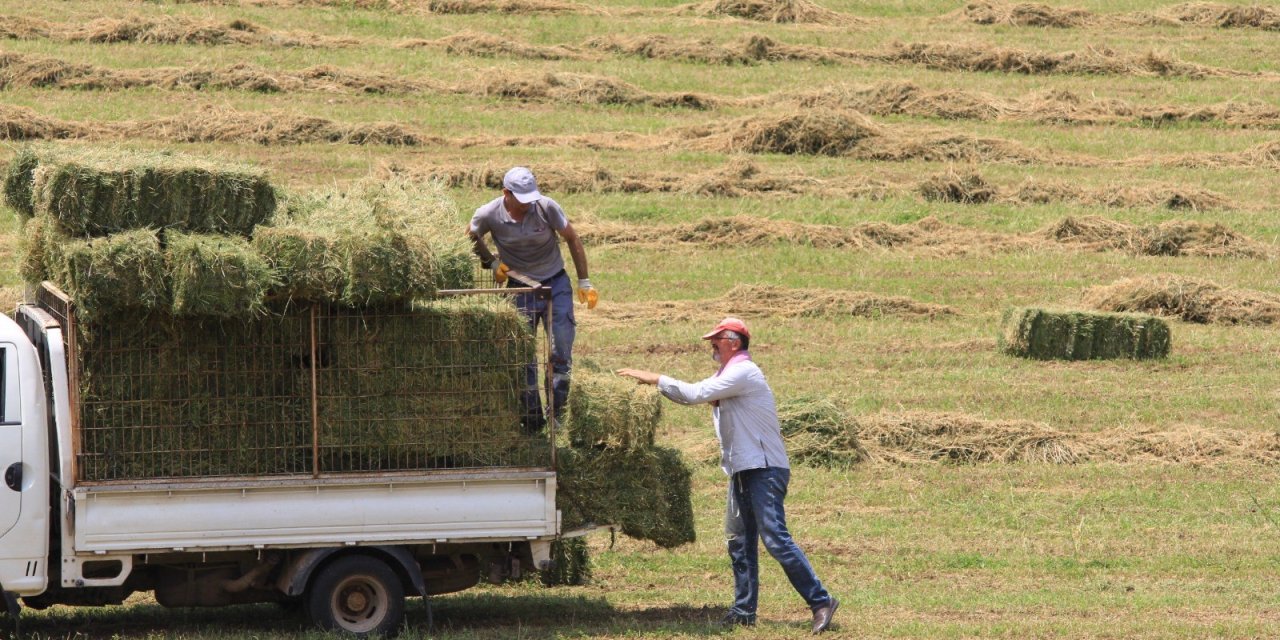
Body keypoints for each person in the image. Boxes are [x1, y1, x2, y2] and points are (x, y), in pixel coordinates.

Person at [617, 317, 838, 634]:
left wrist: (653, 378)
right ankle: (744, 610)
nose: (712, 345)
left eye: (717, 340)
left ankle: (821, 601)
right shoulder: (729, 375)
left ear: (734, 342)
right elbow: (694, 395)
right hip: (743, 470)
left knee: (775, 539)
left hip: (764, 469)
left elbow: (693, 393)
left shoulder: (743, 372)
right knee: (740, 543)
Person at [468, 166, 596, 431]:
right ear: (506, 193)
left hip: (555, 284)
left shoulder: (546, 207)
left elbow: (572, 238)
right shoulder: (489, 214)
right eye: (522, 199)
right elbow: (471, 235)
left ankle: (559, 414)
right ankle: (533, 420)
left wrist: (584, 281)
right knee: (523, 355)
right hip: (520, 288)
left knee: (560, 350)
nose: (528, 204)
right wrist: (491, 263)